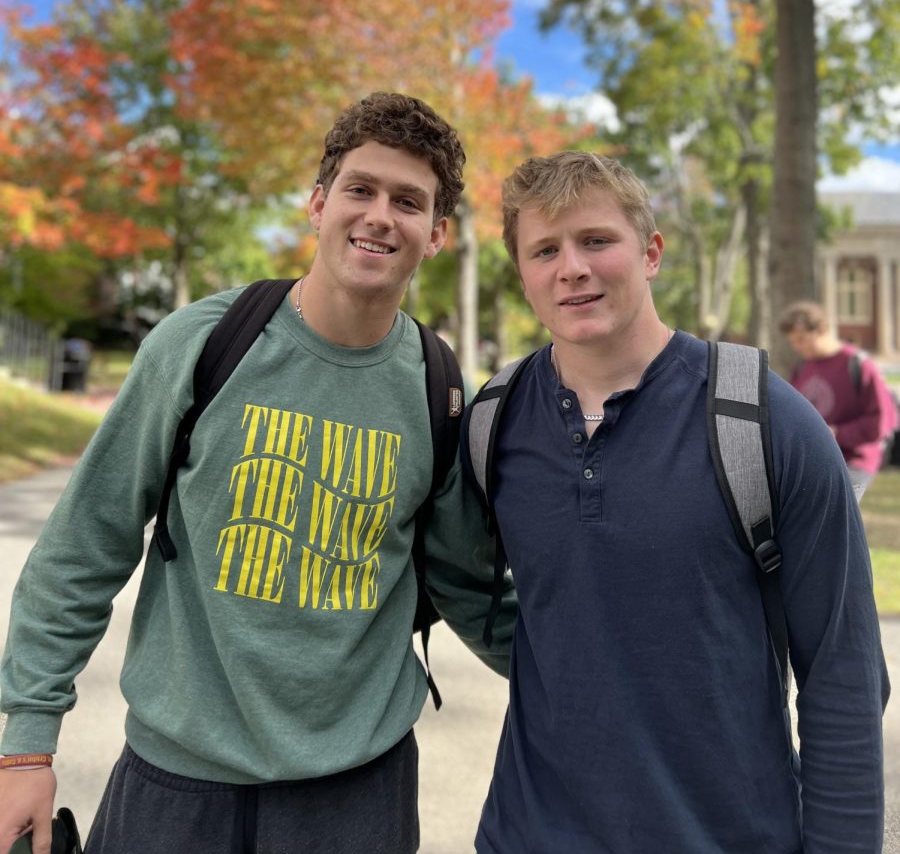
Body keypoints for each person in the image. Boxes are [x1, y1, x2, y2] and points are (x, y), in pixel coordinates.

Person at [0, 93, 515, 854]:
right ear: (317, 204)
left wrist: (602, 680)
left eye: (408, 201)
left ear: (436, 234)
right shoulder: (202, 344)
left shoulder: (440, 391)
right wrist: (26, 745)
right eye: (360, 190)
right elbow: (85, 545)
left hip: (356, 796)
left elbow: (469, 590)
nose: (380, 215)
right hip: (174, 787)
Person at [461, 151, 889, 854]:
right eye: (545, 250)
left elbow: (843, 670)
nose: (572, 266)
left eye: (596, 240)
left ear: (651, 253)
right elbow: (461, 581)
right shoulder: (492, 425)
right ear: (523, 275)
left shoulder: (762, 420)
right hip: (525, 834)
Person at [779, 299, 898, 499]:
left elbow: (883, 422)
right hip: (815, 460)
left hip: (853, 462)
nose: (797, 347)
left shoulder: (858, 365)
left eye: (801, 339)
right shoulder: (802, 368)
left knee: (835, 517)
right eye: (793, 342)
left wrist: (836, 433)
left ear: (822, 329)